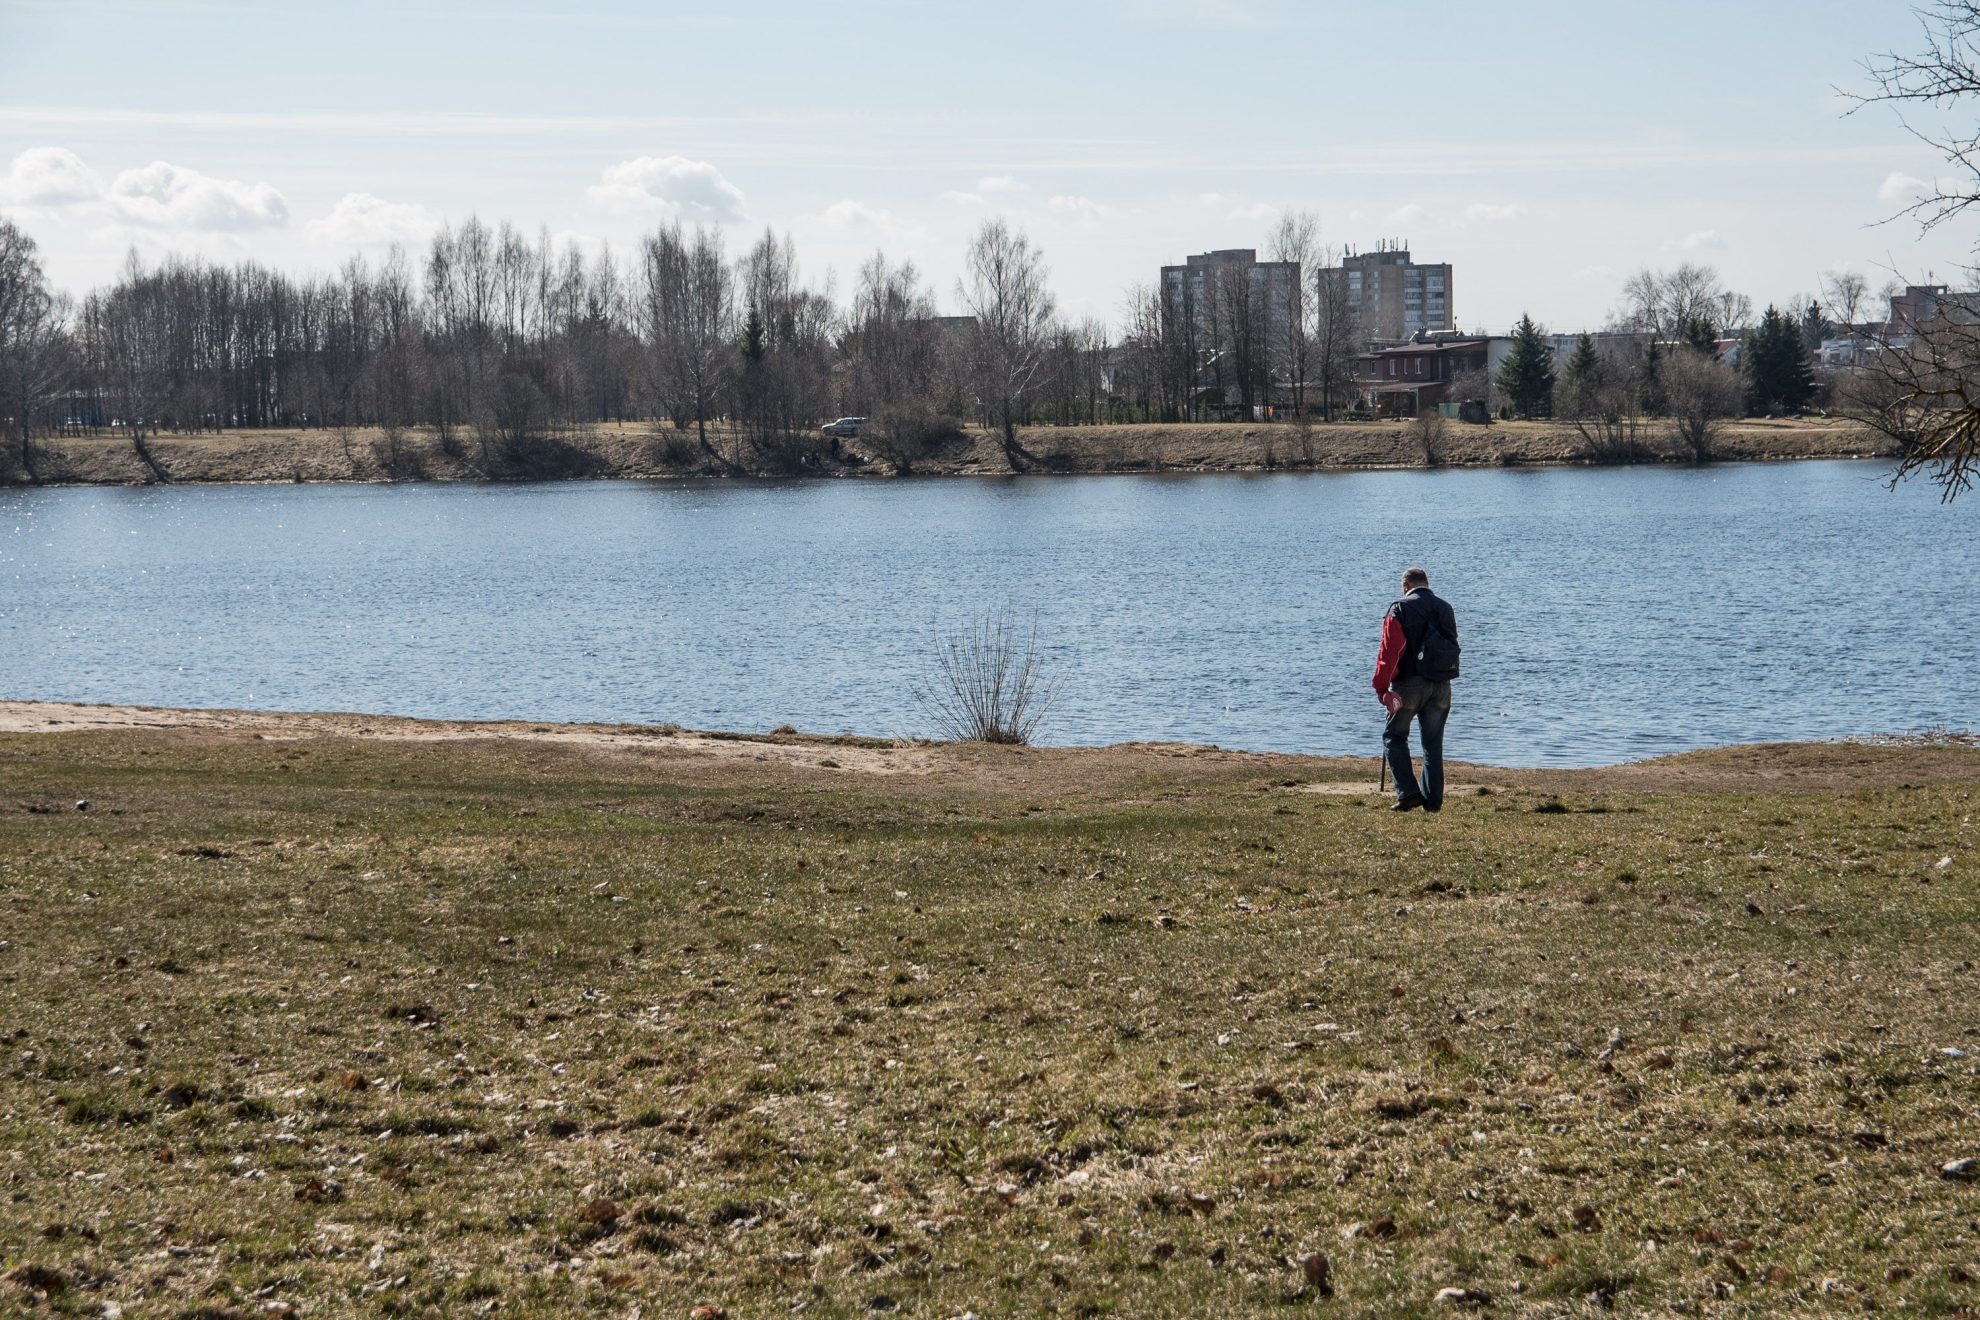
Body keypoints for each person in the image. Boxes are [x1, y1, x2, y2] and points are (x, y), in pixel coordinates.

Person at [1372, 567, 1460, 812]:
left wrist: (1382, 689)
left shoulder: (1399, 608)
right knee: (1433, 744)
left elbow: (1388, 653)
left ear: (1405, 586)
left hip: (1409, 685)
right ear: (1426, 584)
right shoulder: (1445, 607)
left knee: (1393, 737)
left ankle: (1408, 793)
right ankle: (1432, 803)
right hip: (1442, 685)